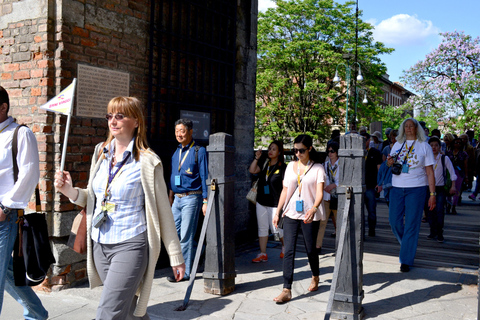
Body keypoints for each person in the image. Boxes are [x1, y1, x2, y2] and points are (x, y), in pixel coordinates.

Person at [54, 97, 185, 319]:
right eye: (109, 116)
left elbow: (163, 211)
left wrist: (175, 255)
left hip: (131, 243)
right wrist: (69, 191)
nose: (113, 121)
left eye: (120, 116)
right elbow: (93, 197)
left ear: (136, 121)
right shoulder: (100, 153)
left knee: (108, 311)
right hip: (100, 245)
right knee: (130, 307)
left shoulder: (147, 161)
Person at [0, 87, 48, 320]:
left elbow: (29, 175)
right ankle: (37, 313)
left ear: (3, 108)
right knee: (6, 273)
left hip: (4, 216)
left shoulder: (20, 134)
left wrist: (5, 208)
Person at [272, 134, 325, 304]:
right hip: (290, 213)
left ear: (309, 149)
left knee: (310, 250)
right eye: (295, 150)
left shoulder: (318, 168)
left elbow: (320, 193)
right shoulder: (290, 167)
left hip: (309, 215)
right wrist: (278, 211)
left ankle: (315, 276)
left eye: (301, 150)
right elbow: (285, 190)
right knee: (288, 250)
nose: (298, 153)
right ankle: (286, 288)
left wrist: (314, 207)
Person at [387, 118, 436, 272]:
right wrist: (389, 162)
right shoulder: (397, 144)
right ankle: (407, 245)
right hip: (397, 187)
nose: (408, 128)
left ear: (416, 129)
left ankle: (406, 260)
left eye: (411, 126)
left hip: (417, 188)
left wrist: (432, 193)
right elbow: (390, 163)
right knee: (394, 221)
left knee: (411, 225)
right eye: (406, 126)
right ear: (403, 129)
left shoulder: (424, 146)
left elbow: (430, 172)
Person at [168, 119, 208, 282]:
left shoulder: (199, 151)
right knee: (174, 234)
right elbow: (173, 175)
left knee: (185, 235)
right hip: (177, 199)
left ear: (190, 132)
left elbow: (205, 176)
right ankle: (200, 250)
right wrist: (170, 195)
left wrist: (205, 200)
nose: (179, 134)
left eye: (182, 131)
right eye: (177, 131)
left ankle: (185, 273)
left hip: (192, 197)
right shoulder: (176, 152)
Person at [248, 141, 287, 262]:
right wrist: (256, 158)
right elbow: (252, 170)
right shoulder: (265, 163)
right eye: (270, 148)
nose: (270, 151)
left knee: (277, 229)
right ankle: (262, 253)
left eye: (274, 149)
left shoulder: (282, 167)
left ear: (279, 152)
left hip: (275, 202)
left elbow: (285, 187)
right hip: (261, 200)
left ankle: (285, 248)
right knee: (262, 227)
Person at [426, 137, 457, 243]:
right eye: (431, 145)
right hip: (428, 188)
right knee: (430, 211)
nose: (433, 147)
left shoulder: (444, 158)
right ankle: (432, 231)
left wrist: (453, 186)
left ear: (439, 147)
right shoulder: (425, 158)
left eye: (436, 145)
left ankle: (440, 233)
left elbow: (452, 173)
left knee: (439, 210)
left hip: (439, 188)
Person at [316, 141, 339, 251]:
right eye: (328, 151)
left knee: (339, 223)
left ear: (337, 152)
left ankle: (340, 246)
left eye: (332, 151)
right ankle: (318, 245)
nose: (330, 154)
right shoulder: (324, 165)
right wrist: (325, 186)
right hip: (326, 196)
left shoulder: (342, 165)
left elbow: (344, 180)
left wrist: (335, 185)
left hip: (338, 197)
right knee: (322, 221)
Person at [361, 133, 383, 237]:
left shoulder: (375, 152)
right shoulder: (357, 153)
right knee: (359, 211)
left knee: (371, 210)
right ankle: (361, 232)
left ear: (369, 141)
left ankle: (371, 229)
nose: (363, 142)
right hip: (359, 186)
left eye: (365, 140)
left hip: (370, 185)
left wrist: (379, 183)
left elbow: (379, 168)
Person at [445, 137, 468, 215]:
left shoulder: (463, 154)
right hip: (449, 172)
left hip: (459, 172)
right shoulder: (448, 152)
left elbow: (465, 165)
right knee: (448, 188)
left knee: (457, 190)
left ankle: (454, 206)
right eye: (456, 142)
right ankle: (448, 204)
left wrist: (466, 176)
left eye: (459, 143)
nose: (457, 144)